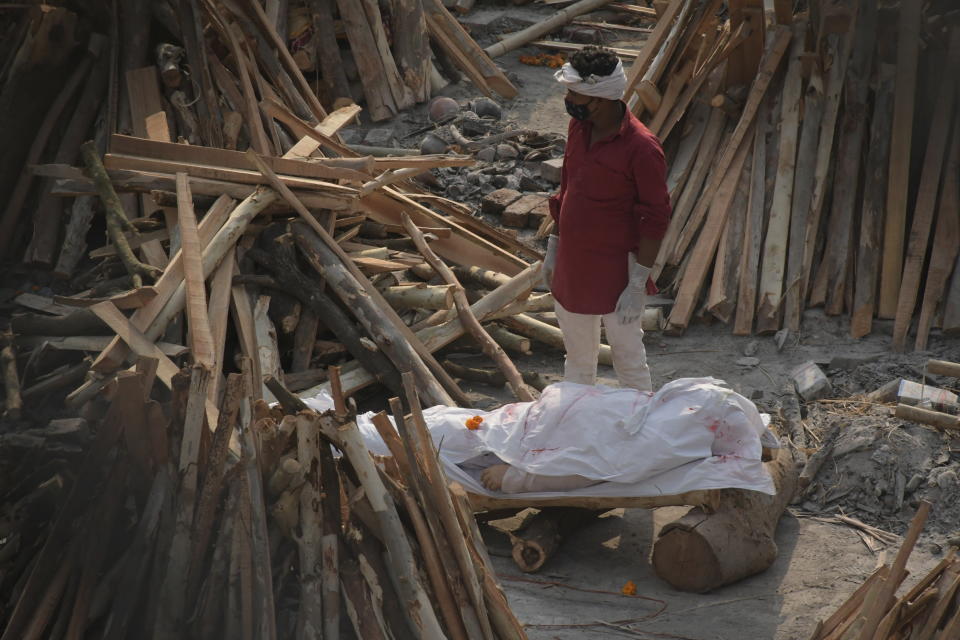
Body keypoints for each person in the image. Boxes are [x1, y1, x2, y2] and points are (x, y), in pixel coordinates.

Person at [543, 46, 672, 392]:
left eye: (574, 93)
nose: (568, 99)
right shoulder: (578, 127)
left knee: (628, 357)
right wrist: (555, 245)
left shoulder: (641, 147)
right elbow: (567, 186)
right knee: (578, 360)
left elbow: (656, 217)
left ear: (598, 99)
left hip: (618, 270)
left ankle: (641, 433)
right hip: (574, 263)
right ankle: (576, 427)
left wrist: (636, 283)